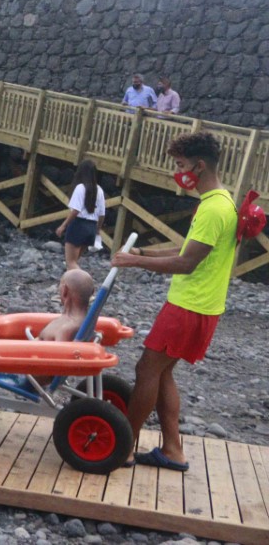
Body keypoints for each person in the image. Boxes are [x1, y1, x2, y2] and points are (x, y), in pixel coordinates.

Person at [112, 131, 237, 472]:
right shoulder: (222, 201)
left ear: (199, 166)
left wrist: (136, 263)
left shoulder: (213, 209)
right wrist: (140, 251)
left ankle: (123, 447)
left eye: (181, 166)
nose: (178, 172)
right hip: (201, 306)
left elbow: (186, 263)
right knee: (163, 374)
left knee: (145, 370)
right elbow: (187, 249)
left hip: (189, 307)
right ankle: (172, 450)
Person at [54, 159, 105, 270]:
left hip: (79, 225)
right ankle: (71, 284)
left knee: (70, 263)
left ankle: (82, 284)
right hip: (91, 227)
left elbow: (76, 210)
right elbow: (102, 214)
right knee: (75, 261)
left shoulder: (80, 188)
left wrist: (63, 225)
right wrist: (97, 230)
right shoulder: (99, 190)